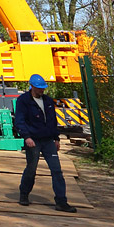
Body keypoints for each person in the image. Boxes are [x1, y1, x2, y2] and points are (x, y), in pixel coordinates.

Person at [13, 73, 78, 212]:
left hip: (48, 140)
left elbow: (52, 121)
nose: (41, 90)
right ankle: (24, 194)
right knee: (31, 169)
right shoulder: (23, 101)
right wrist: (27, 137)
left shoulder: (48, 101)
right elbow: (19, 121)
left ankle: (61, 201)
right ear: (32, 86)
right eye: (39, 88)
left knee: (57, 171)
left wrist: (56, 138)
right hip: (33, 141)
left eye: (43, 88)